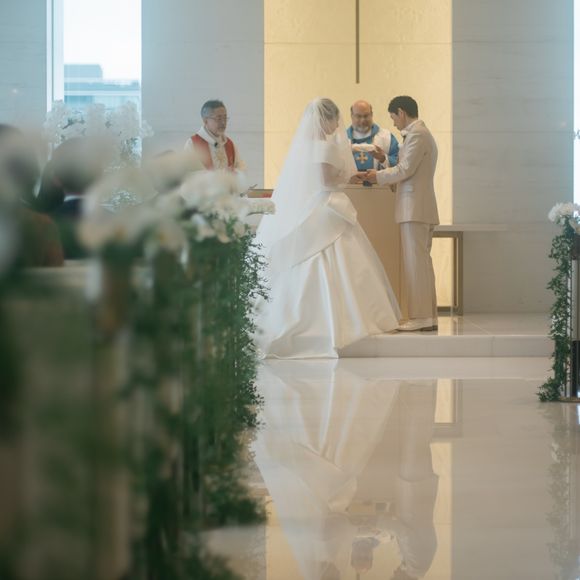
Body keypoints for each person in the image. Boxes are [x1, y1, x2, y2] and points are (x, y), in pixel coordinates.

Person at [254, 98, 400, 358]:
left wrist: (345, 175)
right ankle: (341, 322)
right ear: (326, 120)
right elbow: (326, 180)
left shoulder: (304, 146)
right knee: (336, 257)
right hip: (327, 206)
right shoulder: (325, 146)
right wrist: (347, 175)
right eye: (335, 119)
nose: (337, 124)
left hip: (309, 205)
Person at [357, 96, 439, 332]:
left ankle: (421, 316)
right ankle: (428, 316)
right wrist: (384, 160)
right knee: (421, 265)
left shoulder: (418, 134)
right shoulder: (418, 134)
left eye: (393, 117)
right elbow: (408, 166)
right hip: (418, 207)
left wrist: (377, 176)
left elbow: (405, 169)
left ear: (401, 112)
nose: (393, 122)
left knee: (416, 265)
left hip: (414, 208)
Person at [184, 99, 246, 171]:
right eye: (219, 118)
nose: (223, 122)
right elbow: (189, 173)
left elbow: (241, 167)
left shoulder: (229, 144)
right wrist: (221, 174)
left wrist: (235, 172)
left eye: (225, 118)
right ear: (205, 121)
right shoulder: (193, 143)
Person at [347, 99, 399, 172]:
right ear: (352, 116)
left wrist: (383, 158)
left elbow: (399, 164)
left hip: (378, 179)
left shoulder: (386, 137)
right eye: (358, 116)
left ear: (371, 115)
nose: (362, 120)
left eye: (366, 116)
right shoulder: (342, 139)